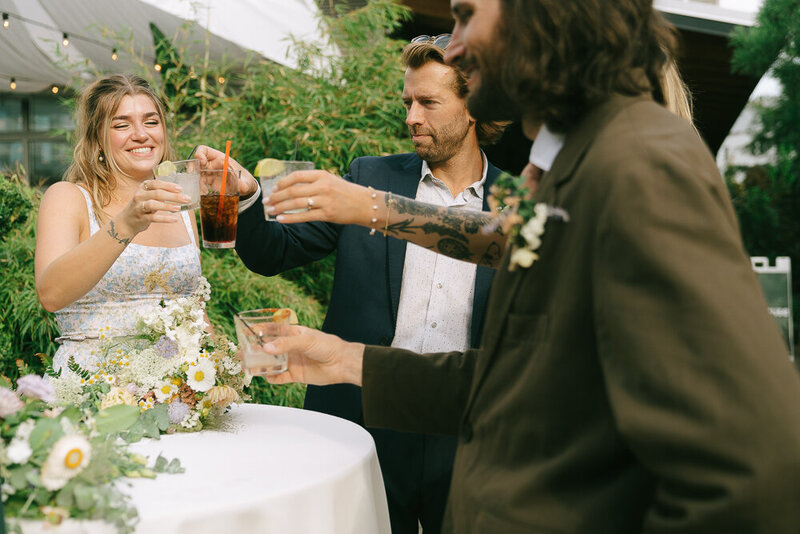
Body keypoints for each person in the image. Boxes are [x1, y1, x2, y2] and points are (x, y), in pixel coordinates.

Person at [262, 1, 800, 532]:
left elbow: (756, 465)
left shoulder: (642, 163)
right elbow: (527, 378)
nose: (454, 43)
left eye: (467, 14)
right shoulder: (568, 166)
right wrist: (345, 360)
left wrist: (370, 208)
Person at [195, 39, 506, 534]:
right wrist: (250, 195)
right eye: (408, 102)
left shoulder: (517, 205)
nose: (411, 117)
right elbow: (276, 252)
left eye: (428, 102)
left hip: (466, 428)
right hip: (366, 418)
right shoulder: (367, 178)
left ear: (475, 109)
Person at [35, 74, 199, 370]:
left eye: (151, 122)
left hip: (178, 392)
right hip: (94, 387)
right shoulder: (68, 198)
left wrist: (224, 368)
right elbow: (51, 295)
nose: (141, 134)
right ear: (97, 138)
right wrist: (126, 224)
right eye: (121, 125)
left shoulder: (182, 203)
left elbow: (194, 312)